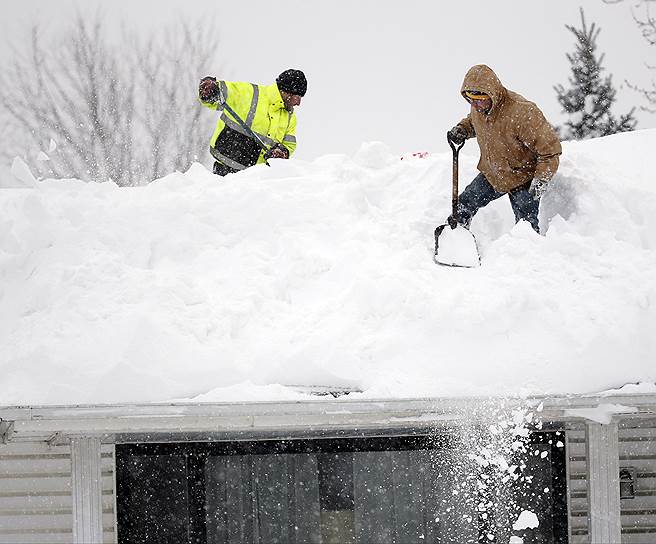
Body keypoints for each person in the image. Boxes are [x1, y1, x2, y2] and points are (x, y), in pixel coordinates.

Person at [446, 64, 562, 233]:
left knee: (526, 228)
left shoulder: (522, 112)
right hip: (493, 174)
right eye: (471, 100)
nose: (475, 105)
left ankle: (529, 255)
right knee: (463, 206)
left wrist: (542, 180)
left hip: (523, 178)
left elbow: (550, 150)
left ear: (491, 93)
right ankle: (456, 238)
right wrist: (462, 129)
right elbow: (473, 121)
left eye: (479, 100)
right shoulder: (479, 107)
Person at [198, 69, 307, 176]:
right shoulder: (250, 93)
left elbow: (289, 144)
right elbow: (223, 92)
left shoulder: (290, 118)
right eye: (297, 97)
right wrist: (210, 87)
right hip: (226, 172)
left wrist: (282, 152)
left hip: (257, 179)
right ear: (286, 91)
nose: (298, 103)